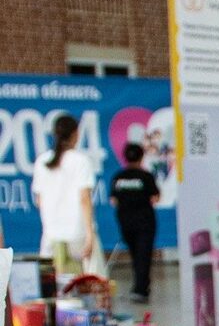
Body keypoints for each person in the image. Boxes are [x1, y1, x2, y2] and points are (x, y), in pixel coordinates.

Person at [31, 115, 98, 278]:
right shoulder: (81, 161)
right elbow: (84, 198)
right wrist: (90, 234)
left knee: (52, 283)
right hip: (77, 233)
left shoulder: (42, 161)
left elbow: (39, 200)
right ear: (76, 134)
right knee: (80, 283)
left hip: (51, 233)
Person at [109, 143, 159, 302]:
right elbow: (155, 197)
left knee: (135, 255)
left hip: (126, 222)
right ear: (141, 157)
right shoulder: (146, 176)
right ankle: (141, 289)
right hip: (145, 222)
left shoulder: (118, 177)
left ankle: (140, 287)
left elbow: (113, 200)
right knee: (143, 255)